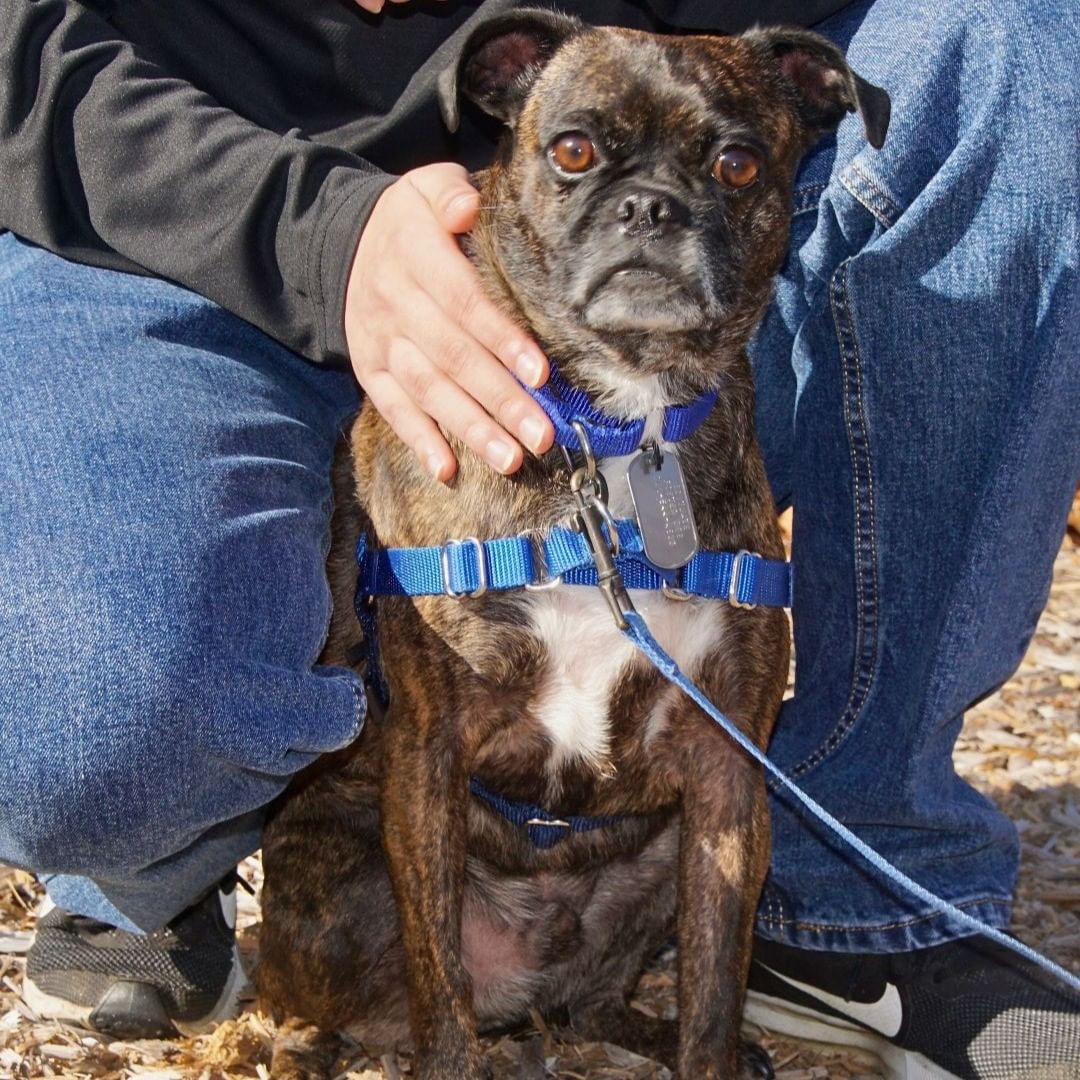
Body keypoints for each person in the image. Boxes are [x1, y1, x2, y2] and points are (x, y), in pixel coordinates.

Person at [0, 0, 1076, 1076]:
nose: (651, 209)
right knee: (91, 719)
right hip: (166, 227)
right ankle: (155, 860)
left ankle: (859, 888)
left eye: (731, 165)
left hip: (640, 359)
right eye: (578, 154)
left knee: (1010, 33)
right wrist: (318, 233)